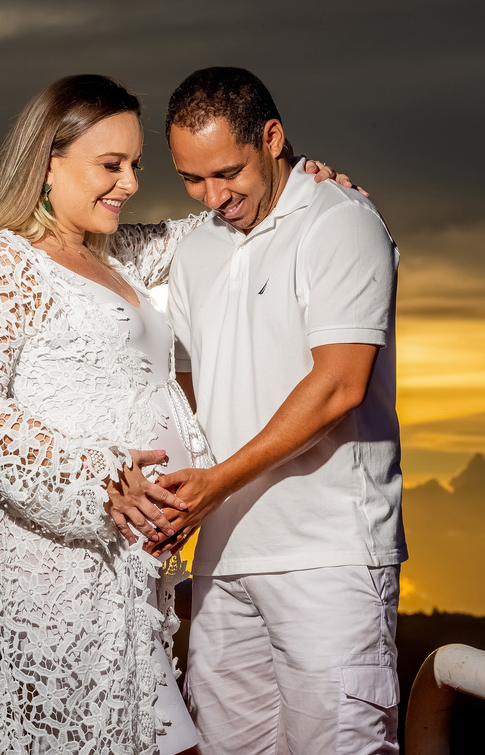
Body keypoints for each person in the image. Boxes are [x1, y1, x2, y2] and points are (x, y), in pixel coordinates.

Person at [0, 74, 349, 755]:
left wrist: (301, 179)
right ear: (47, 163)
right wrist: (102, 479)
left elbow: (216, 221)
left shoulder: (116, 253)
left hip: (129, 574)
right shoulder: (2, 262)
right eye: (110, 165)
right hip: (51, 570)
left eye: (135, 165)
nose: (128, 183)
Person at [149, 67, 405, 755]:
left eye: (227, 173)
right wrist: (176, 495)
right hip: (223, 559)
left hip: (330, 558)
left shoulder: (341, 221)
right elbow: (191, 391)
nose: (213, 197)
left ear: (271, 138)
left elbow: (340, 386)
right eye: (192, 179)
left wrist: (215, 483)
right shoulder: (195, 250)